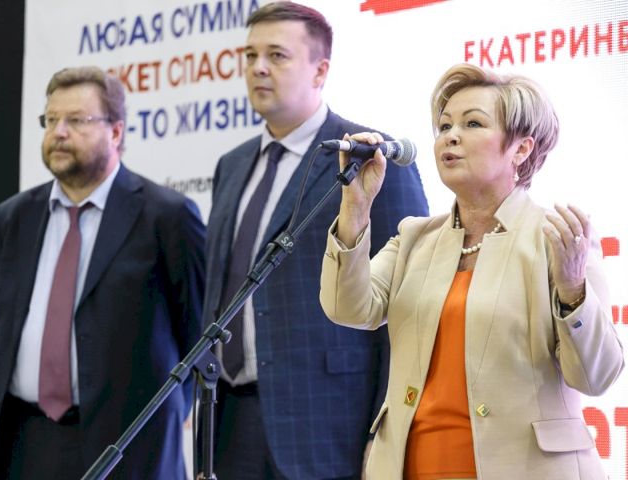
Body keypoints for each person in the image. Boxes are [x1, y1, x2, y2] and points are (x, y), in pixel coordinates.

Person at [320, 63, 624, 479]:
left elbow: (596, 377)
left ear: (521, 149)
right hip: (414, 467)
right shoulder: (414, 237)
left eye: (473, 123)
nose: (451, 136)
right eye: (444, 126)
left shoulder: (557, 238)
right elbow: (346, 308)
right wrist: (355, 206)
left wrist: (573, 290)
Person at [200, 2, 428, 479]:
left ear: (320, 70)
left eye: (277, 55)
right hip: (231, 421)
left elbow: (407, 308)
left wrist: (384, 431)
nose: (258, 68)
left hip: (329, 424)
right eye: (250, 55)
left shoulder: (370, 156)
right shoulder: (231, 165)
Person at [0, 66, 206, 480]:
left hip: (127, 448)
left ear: (116, 131)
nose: (59, 132)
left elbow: (198, 334)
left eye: (76, 120)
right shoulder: (13, 217)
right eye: (51, 120)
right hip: (25, 440)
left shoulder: (168, 216)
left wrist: (170, 417)